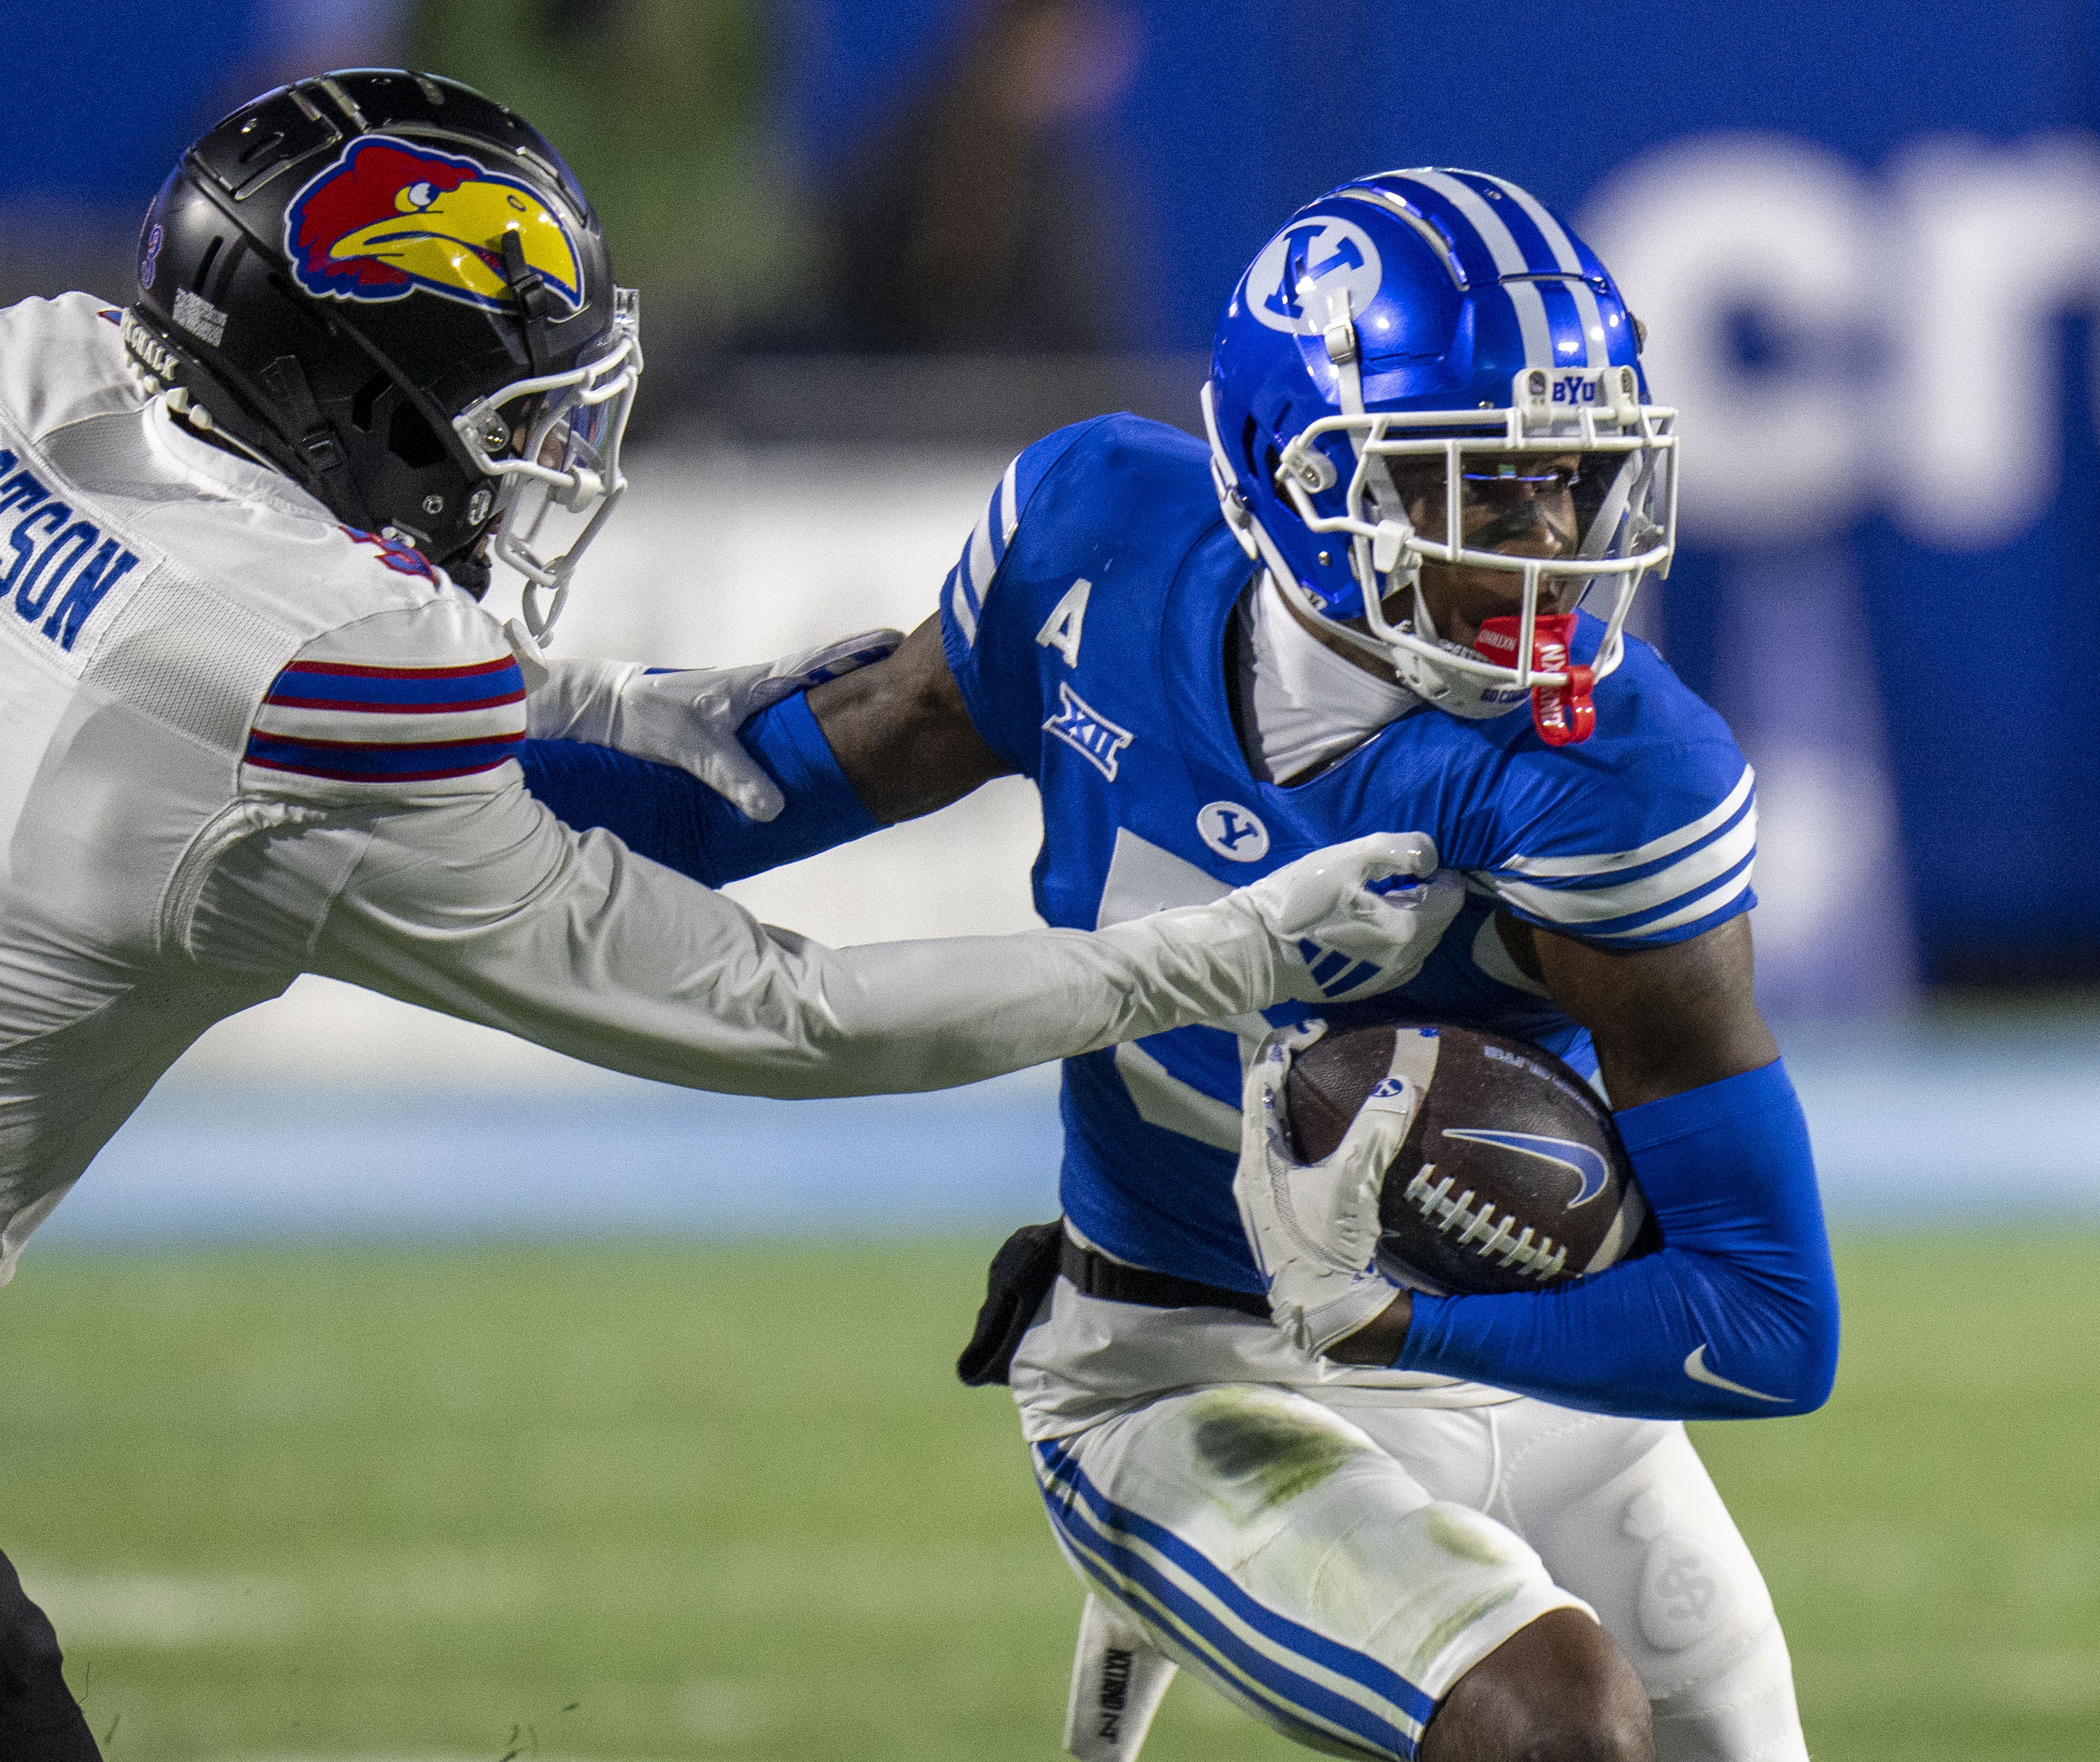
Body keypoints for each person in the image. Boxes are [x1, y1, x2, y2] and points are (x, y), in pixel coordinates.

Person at [0, 77, 1466, 1761]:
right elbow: (795, 1012)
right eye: (506, 420)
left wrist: (605, 700)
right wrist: (1214, 951)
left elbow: (215, 588)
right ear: (362, 399)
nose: (540, 464)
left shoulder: (20, 385)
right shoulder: (308, 679)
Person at [530, 169, 1839, 1761]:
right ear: (1299, 482)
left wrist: (1398, 1332)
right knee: (1552, 1728)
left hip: (1509, 1355)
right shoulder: (1095, 544)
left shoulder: (1614, 772)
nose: (1550, 544)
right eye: (1484, 488)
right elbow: (766, 776)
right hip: (1170, 1362)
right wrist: (404, 790)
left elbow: (1769, 1317)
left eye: (1572, 480)